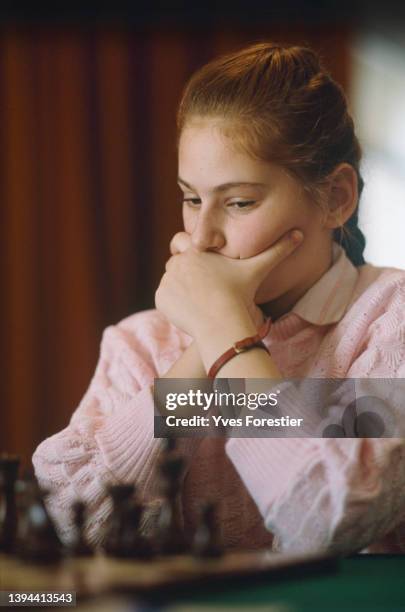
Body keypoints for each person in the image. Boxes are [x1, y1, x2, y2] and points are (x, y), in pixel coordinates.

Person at [32, 42, 405, 555]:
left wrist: (229, 337)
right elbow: (71, 529)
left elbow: (324, 516)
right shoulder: (141, 341)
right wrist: (199, 349)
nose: (203, 236)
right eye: (191, 198)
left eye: (239, 202)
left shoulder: (388, 318)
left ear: (337, 198)